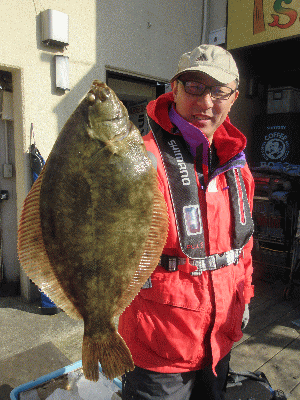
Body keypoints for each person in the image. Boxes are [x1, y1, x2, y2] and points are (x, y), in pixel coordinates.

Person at [118, 44, 255, 400]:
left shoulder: (238, 165)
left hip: (220, 339)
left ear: (234, 97)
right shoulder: (139, 160)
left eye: (218, 90)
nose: (206, 102)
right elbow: (109, 247)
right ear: (174, 88)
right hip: (159, 350)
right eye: (194, 87)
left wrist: (246, 296)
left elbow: (243, 247)